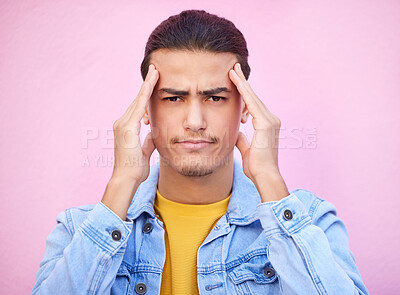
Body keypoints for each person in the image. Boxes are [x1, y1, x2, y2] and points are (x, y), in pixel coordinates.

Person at [32, 9, 369, 295]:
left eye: (215, 98)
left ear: (247, 109)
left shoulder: (312, 222)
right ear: (145, 109)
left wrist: (268, 179)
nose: (194, 121)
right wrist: (122, 182)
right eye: (173, 98)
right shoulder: (78, 230)